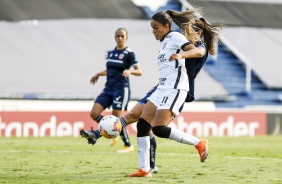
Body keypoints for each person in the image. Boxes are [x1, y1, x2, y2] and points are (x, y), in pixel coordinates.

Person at [125, 9, 223, 177]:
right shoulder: (167, 40)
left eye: (156, 27)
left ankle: (198, 143)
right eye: (152, 28)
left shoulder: (185, 41)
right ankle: (145, 169)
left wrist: (181, 55)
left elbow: (198, 51)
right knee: (142, 124)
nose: (153, 32)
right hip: (162, 87)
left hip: (176, 88)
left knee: (159, 129)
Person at [80, 27, 142, 153]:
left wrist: (130, 71)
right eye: (117, 36)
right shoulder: (111, 52)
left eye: (122, 36)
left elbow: (139, 71)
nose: (119, 38)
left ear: (126, 38)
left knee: (117, 120)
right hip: (108, 88)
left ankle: (128, 145)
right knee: (94, 113)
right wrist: (98, 74)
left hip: (121, 89)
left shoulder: (129, 53)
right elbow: (111, 69)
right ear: (114, 38)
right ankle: (112, 132)